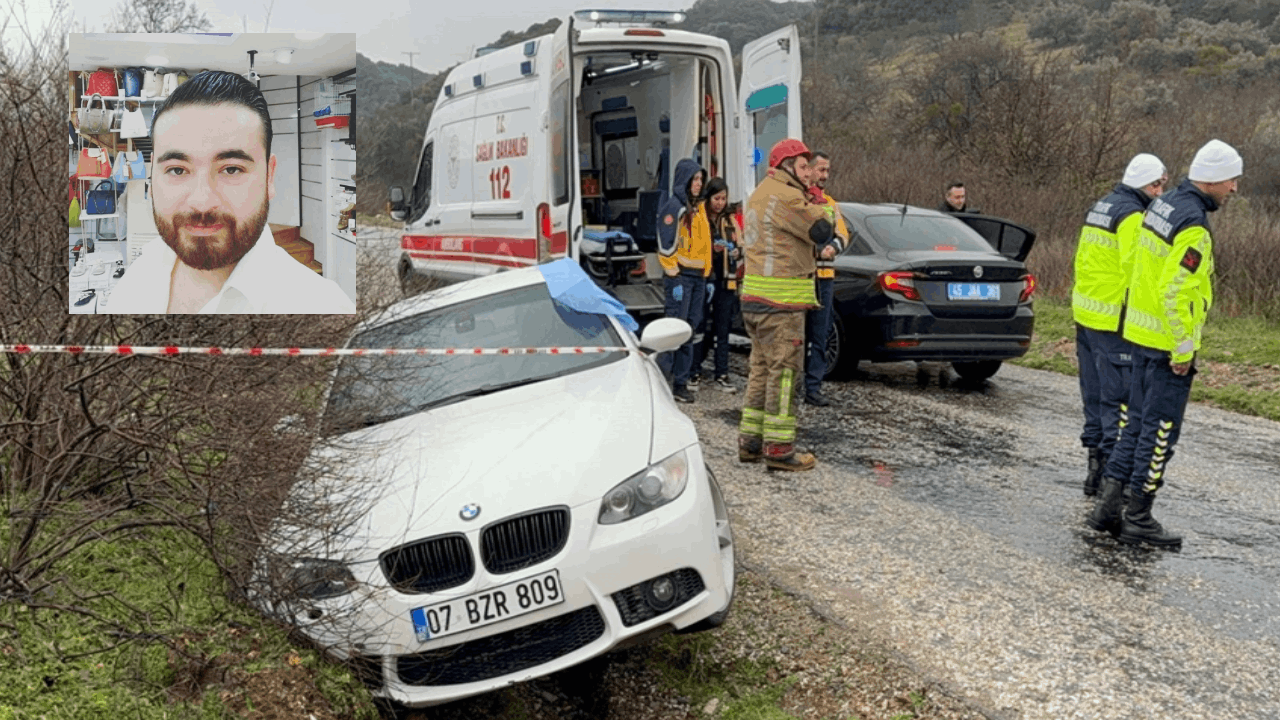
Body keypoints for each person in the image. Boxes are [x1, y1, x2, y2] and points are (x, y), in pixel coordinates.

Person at [1089, 139, 1241, 549]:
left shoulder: (1164, 203)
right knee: (1160, 434)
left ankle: (1107, 509)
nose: (1235, 189)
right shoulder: (1192, 223)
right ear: (1212, 180)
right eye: (1232, 180)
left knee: (1135, 424)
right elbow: (1176, 293)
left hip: (1139, 333)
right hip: (1164, 343)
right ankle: (1139, 516)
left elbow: (1141, 268)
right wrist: (1183, 350)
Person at [108, 71, 355, 314]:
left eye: (232, 169)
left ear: (269, 177)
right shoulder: (142, 271)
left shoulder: (322, 307)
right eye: (177, 170)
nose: (202, 202)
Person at [738, 139, 836, 472]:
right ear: (785, 166)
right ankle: (779, 449)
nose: (810, 172)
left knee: (761, 372)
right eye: (804, 165)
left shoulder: (760, 193)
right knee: (783, 376)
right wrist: (821, 204)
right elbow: (823, 229)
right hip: (781, 304)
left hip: (754, 299)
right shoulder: (788, 196)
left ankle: (750, 443)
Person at [1073, 153, 1167, 500]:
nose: (1159, 193)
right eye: (1156, 185)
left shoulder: (1101, 206)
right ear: (1143, 184)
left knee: (1094, 398)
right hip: (1114, 319)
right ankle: (1116, 482)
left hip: (1087, 315)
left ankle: (1094, 475)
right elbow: (1136, 269)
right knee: (1120, 402)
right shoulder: (1131, 216)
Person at [657, 158, 710, 403]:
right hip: (680, 280)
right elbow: (665, 244)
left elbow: (705, 245)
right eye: (695, 179)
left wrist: (706, 274)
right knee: (674, 328)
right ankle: (661, 379)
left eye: (701, 179)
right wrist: (673, 276)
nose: (698, 184)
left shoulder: (698, 209)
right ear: (684, 180)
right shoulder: (675, 208)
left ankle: (681, 382)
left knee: (690, 328)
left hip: (697, 279)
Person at [803, 151, 848, 407]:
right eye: (821, 170)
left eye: (828, 171)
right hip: (802, 276)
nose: (825, 176)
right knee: (797, 335)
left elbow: (843, 234)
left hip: (825, 277)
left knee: (820, 334)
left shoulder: (831, 203)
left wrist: (834, 247)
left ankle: (813, 387)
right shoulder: (800, 200)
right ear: (808, 170)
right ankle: (794, 383)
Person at [691, 178, 743, 393]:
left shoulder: (730, 219)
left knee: (723, 329)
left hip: (726, 280)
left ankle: (722, 373)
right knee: (700, 325)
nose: (720, 203)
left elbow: (741, 245)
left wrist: (735, 251)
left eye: (723, 198)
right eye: (717, 198)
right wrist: (713, 249)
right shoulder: (699, 216)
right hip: (704, 279)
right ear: (708, 197)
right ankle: (694, 369)